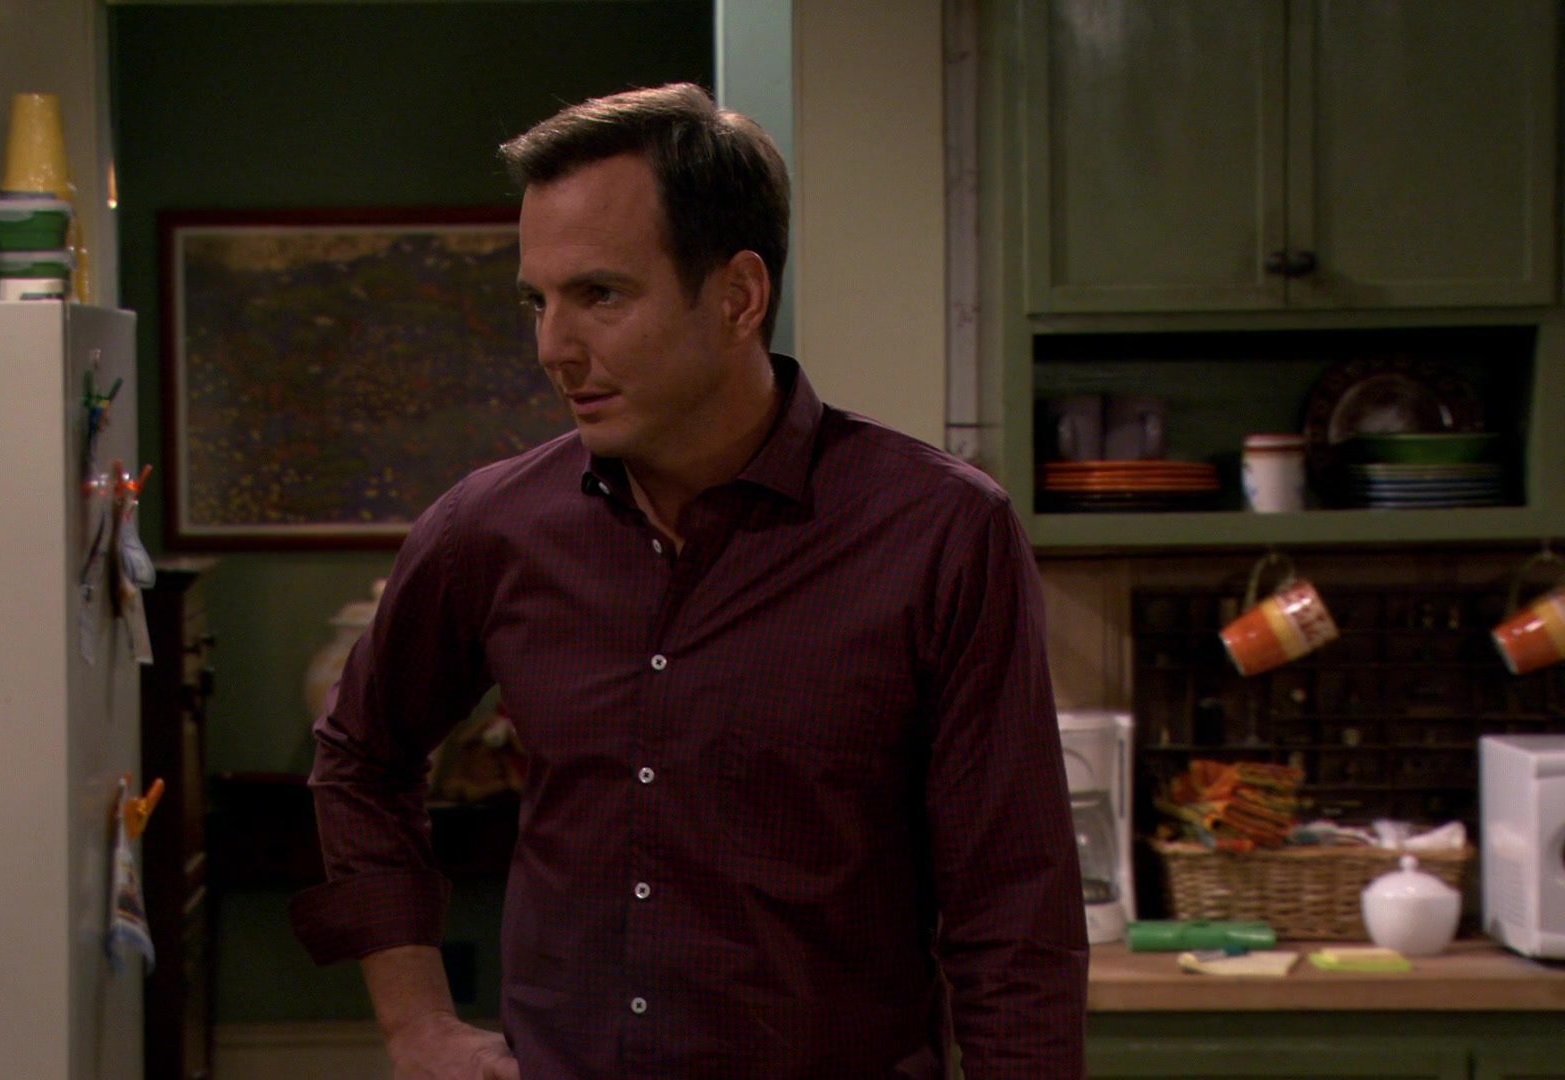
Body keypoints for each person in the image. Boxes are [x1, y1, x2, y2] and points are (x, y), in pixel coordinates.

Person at [290, 82, 1087, 1078]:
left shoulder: (938, 534)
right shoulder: (493, 529)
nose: (553, 349)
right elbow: (359, 755)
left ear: (739, 297)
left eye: (600, 296)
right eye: (538, 302)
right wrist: (416, 1023)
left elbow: (1015, 913)